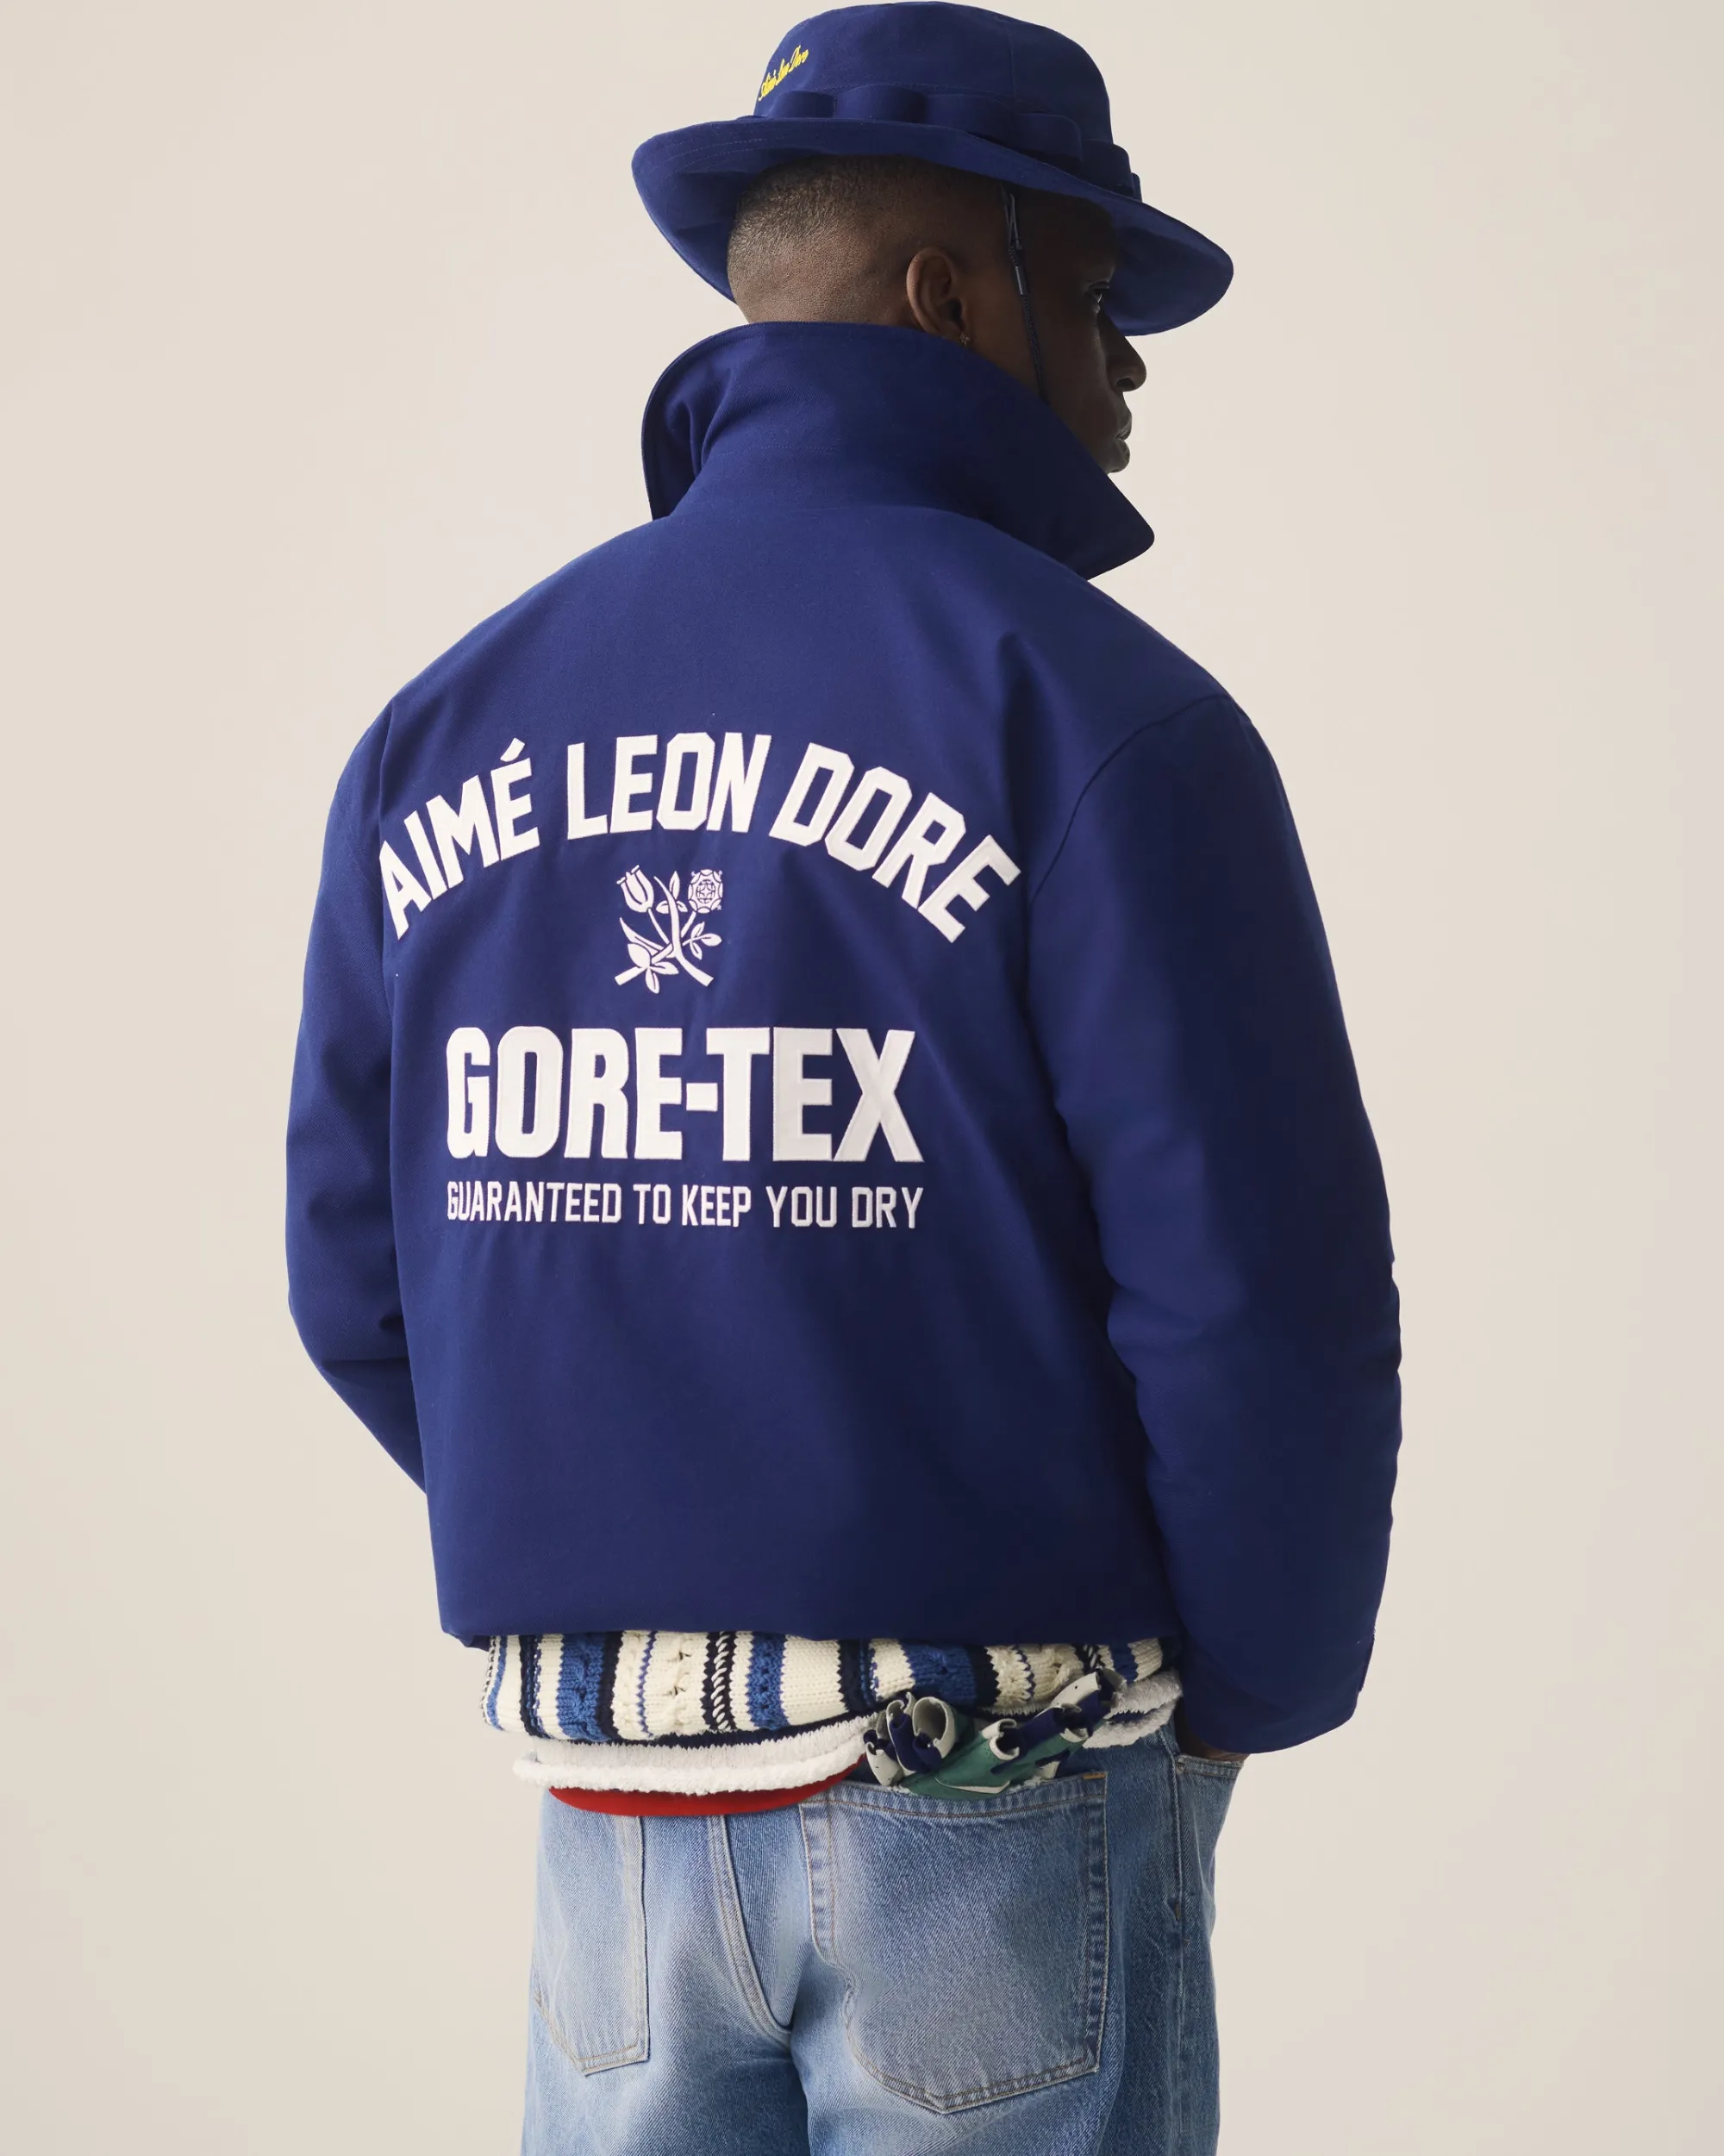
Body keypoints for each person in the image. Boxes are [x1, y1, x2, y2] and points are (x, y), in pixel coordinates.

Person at [286, 7, 1401, 2151]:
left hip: (610, 1834)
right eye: (1100, 300)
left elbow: (359, 1270)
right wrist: (1245, 1694)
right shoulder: (1096, 717)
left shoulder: (445, 727)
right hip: (998, 1793)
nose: (1130, 373)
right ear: (951, 296)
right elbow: (1255, 1299)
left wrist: (632, 1514)